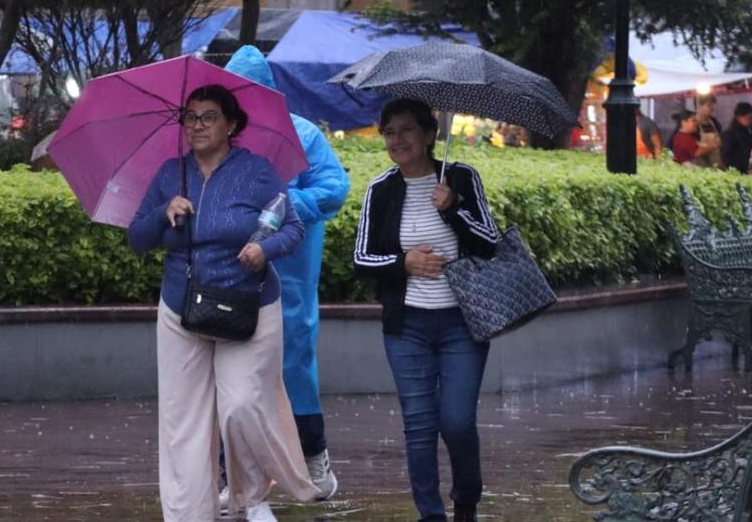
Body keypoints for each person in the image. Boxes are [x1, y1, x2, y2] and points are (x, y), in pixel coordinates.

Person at [127, 84, 318, 522]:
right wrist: (163, 213)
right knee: (183, 422)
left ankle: (253, 497)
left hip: (249, 303)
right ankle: (187, 513)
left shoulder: (256, 171)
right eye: (190, 117)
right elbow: (137, 239)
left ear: (232, 125)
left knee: (241, 405)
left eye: (208, 116)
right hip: (182, 307)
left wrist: (262, 252)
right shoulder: (170, 174)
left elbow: (292, 228)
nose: (197, 125)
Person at [353, 98, 500, 522]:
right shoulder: (381, 190)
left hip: (462, 321)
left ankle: (466, 503)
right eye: (389, 132)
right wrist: (404, 263)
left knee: (456, 421)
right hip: (407, 326)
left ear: (429, 134)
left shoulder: (460, 177)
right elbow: (362, 259)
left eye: (406, 130)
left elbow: (488, 243)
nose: (397, 140)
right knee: (418, 425)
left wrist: (452, 208)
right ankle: (430, 514)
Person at [223, 46, 349, 501]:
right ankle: (233, 476)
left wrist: (285, 208)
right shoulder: (221, 141)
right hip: (234, 277)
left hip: (290, 277)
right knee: (233, 373)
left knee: (295, 369)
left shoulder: (302, 135)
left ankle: (314, 461)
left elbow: (335, 186)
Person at [721, 102, 752, 174]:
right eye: (750, 118)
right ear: (739, 118)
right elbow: (726, 157)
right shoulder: (730, 133)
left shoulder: (750, 131)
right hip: (738, 172)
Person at [694, 93, 723, 168]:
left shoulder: (715, 122)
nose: (712, 108)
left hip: (716, 164)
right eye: (709, 105)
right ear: (699, 106)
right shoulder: (693, 124)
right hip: (699, 167)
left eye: (713, 105)